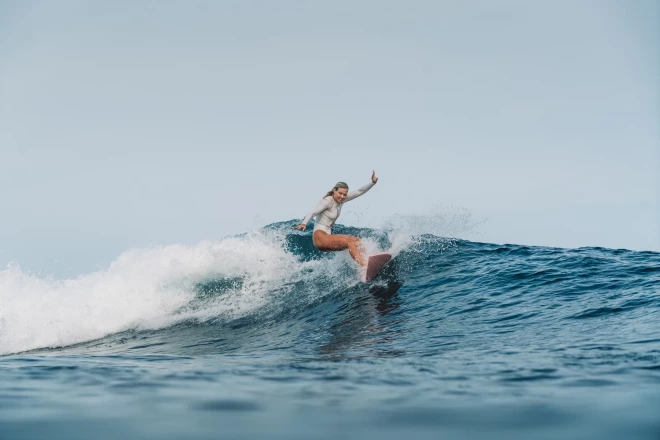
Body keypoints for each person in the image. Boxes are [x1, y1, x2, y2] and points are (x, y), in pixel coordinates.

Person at [293, 171, 379, 266]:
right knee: (349, 242)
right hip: (320, 237)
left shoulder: (341, 200)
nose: (342, 196)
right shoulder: (327, 201)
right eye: (340, 193)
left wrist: (372, 183)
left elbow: (359, 191)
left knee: (357, 240)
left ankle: (368, 260)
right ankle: (365, 265)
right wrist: (304, 223)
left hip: (327, 236)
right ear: (334, 190)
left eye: (344, 194)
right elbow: (313, 212)